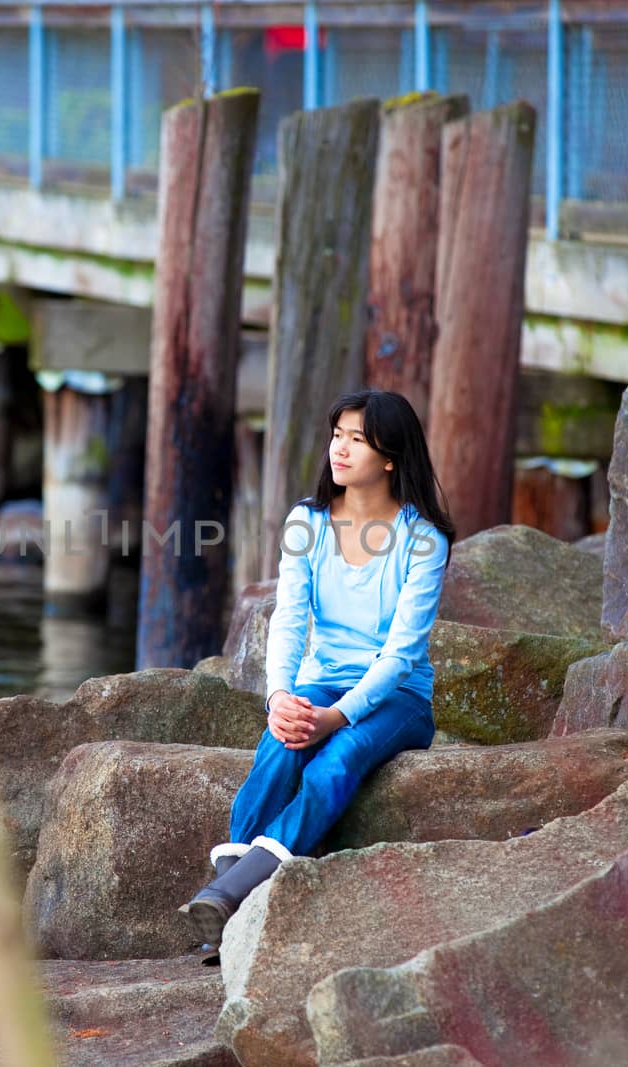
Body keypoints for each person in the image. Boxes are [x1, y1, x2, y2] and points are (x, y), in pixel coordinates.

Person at [182, 389, 455, 948]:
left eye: (358, 439)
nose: (341, 448)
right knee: (279, 747)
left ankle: (229, 900)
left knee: (338, 761)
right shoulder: (306, 521)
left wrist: (337, 717)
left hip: (398, 699)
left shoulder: (423, 540)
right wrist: (280, 696)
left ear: (389, 457)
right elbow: (288, 618)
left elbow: (401, 655)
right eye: (338, 435)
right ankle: (227, 910)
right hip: (319, 680)